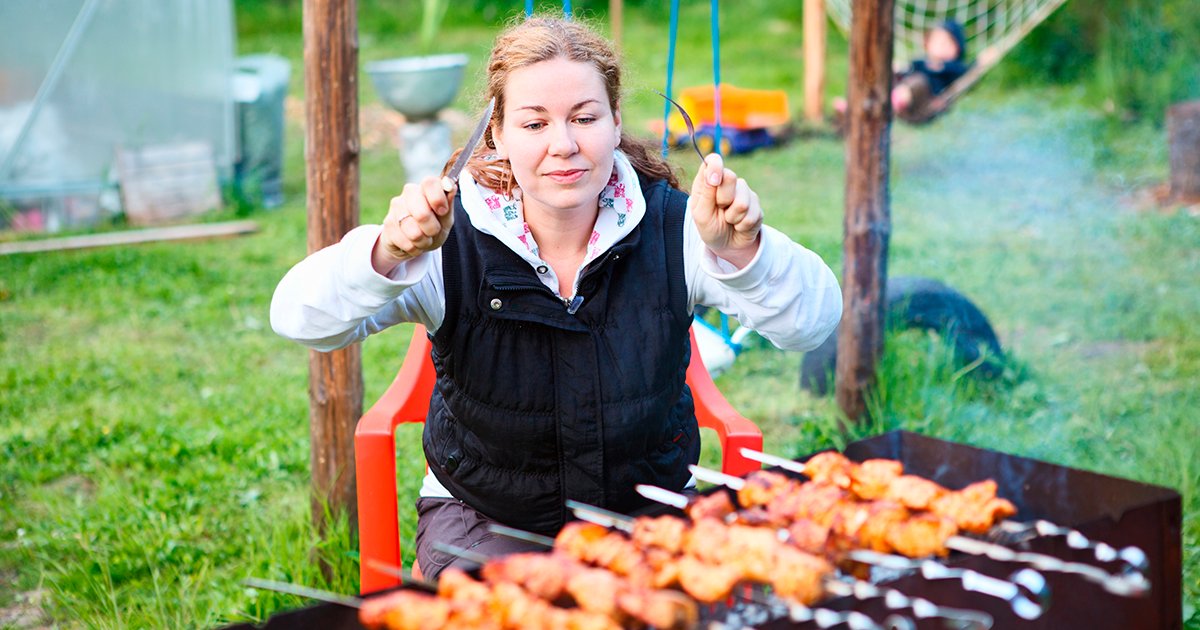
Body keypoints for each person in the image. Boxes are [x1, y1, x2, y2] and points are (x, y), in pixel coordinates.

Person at [271, 15, 841, 581]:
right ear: (497, 133)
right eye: (534, 123)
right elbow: (298, 316)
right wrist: (387, 252)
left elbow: (812, 323)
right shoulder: (447, 240)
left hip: (647, 515)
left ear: (616, 122)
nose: (563, 145)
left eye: (585, 118)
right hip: (485, 519)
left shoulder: (681, 230)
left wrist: (745, 256)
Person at [835, 20, 979, 124]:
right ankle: (859, 102)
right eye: (937, 41)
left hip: (926, 103)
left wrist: (981, 62)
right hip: (904, 96)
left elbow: (967, 75)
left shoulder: (954, 67)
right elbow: (908, 69)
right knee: (890, 73)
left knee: (918, 82)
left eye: (947, 43)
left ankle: (881, 106)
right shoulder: (920, 62)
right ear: (928, 45)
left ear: (958, 48)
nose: (941, 46)